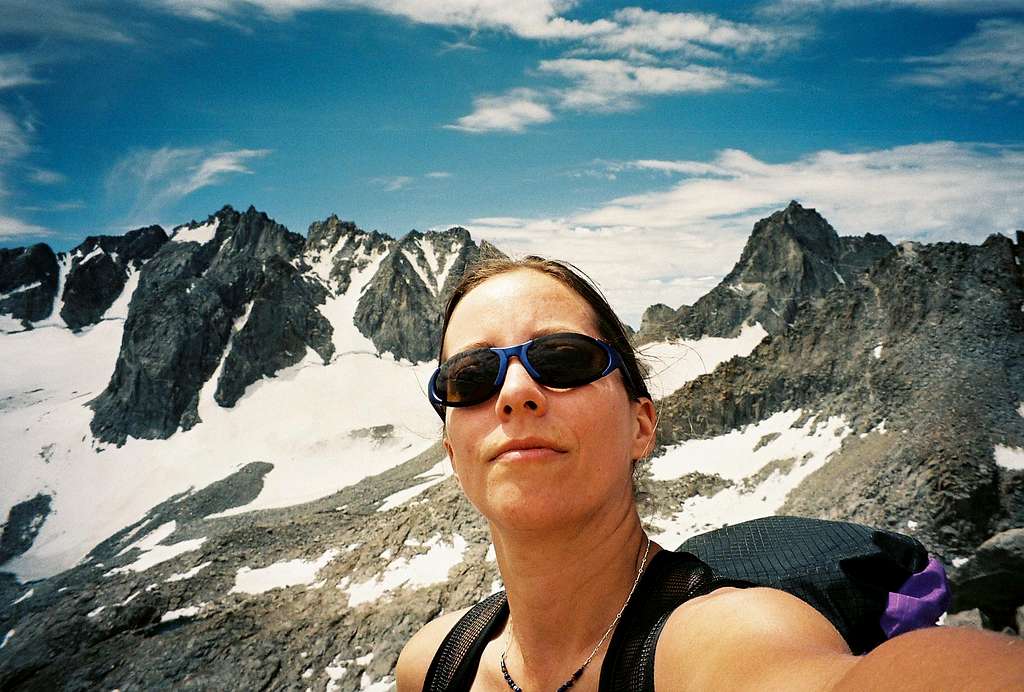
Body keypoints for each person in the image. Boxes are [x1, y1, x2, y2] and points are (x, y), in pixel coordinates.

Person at [397, 256, 1024, 691]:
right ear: (453, 452)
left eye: (564, 358)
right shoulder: (429, 665)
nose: (515, 392)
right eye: (471, 377)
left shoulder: (716, 636)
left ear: (641, 426)